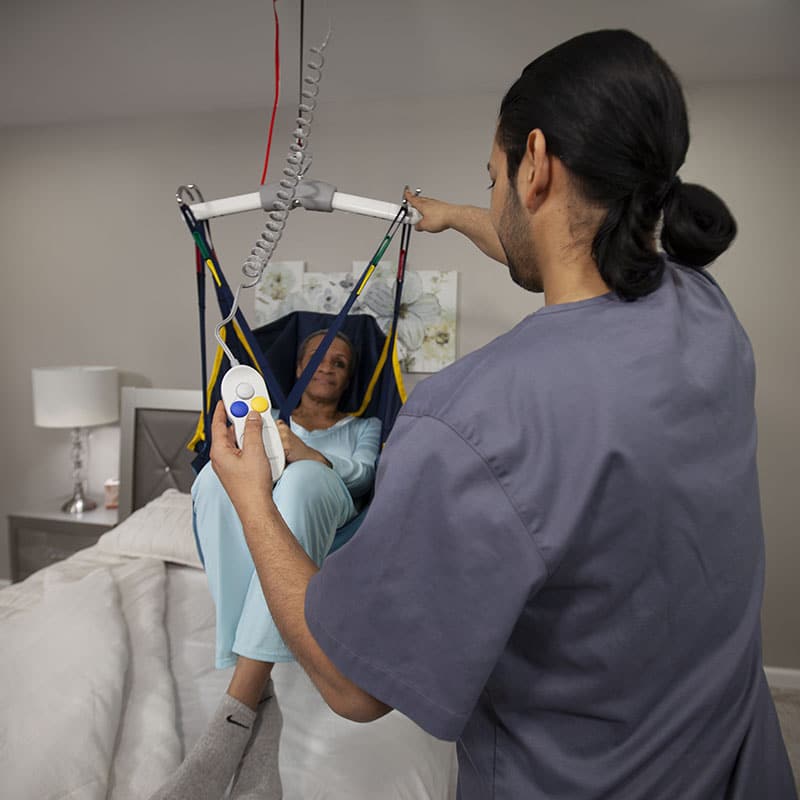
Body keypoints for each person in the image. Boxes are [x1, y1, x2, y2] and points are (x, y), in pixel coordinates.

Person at [207, 29, 797, 800]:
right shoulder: (706, 313)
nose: (491, 197)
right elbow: (554, 256)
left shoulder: (475, 422)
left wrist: (251, 497)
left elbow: (353, 685)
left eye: (491, 177)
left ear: (537, 165)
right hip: (737, 768)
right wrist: (456, 217)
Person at [150, 330, 381, 800]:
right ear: (298, 367)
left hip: (330, 502)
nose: (328, 367)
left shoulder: (362, 426)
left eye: (340, 362)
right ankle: (260, 703)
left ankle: (234, 709)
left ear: (348, 377)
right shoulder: (265, 420)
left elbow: (365, 475)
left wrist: (307, 454)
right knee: (215, 479)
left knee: (300, 484)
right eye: (318, 357)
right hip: (264, 503)